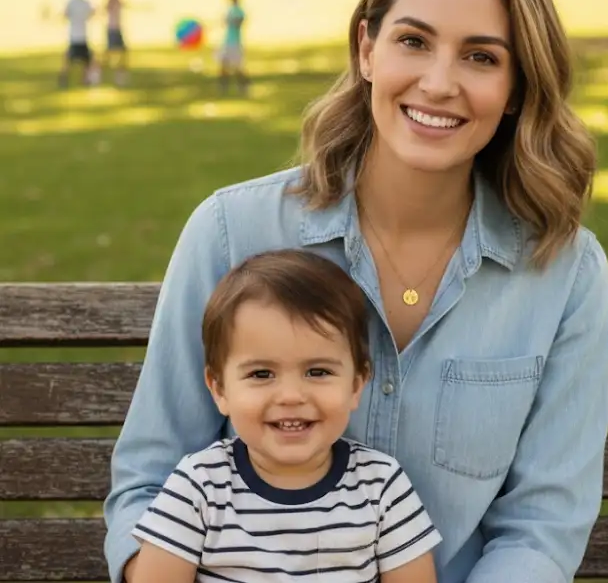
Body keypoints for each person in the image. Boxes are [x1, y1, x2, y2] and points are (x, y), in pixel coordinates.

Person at [105, 0, 608, 583]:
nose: (437, 82)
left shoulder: (564, 271)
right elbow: (150, 481)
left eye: (480, 57)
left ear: (516, 86)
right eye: (413, 41)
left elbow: (540, 529)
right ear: (367, 48)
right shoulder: (230, 232)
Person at [130, 250, 440, 583]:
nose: (291, 396)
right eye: (262, 374)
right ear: (219, 389)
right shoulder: (199, 488)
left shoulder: (381, 487)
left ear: (356, 385)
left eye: (317, 371)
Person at [58, 0, 97, 87]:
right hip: (81, 35)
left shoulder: (72, 1)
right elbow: (92, 13)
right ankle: (83, 79)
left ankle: (76, 78)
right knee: (86, 60)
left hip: (75, 35)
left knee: (76, 59)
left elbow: (65, 15)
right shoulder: (84, 2)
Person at [218, 0, 248, 93]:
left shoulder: (238, 10)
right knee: (223, 65)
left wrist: (230, 21)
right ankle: (223, 87)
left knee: (237, 67)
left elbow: (239, 22)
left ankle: (243, 85)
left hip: (235, 42)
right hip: (228, 41)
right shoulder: (231, 9)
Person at [105, 0, 129, 86]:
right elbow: (108, 8)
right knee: (110, 53)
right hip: (113, 28)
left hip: (115, 28)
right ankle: (95, 71)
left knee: (122, 51)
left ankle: (120, 73)